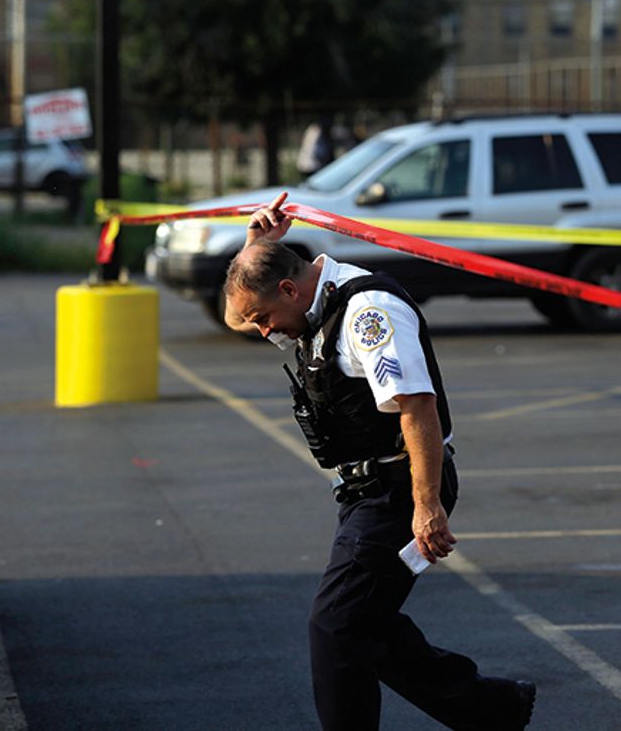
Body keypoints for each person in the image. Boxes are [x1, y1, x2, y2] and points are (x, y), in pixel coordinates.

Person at [223, 192, 536, 731]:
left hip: (400, 487)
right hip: (365, 490)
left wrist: (427, 507)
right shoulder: (303, 303)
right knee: (366, 624)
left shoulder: (368, 314)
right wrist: (255, 248)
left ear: (291, 290)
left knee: (336, 626)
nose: (263, 332)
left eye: (265, 319)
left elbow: (417, 407)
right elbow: (234, 315)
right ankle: (492, 708)